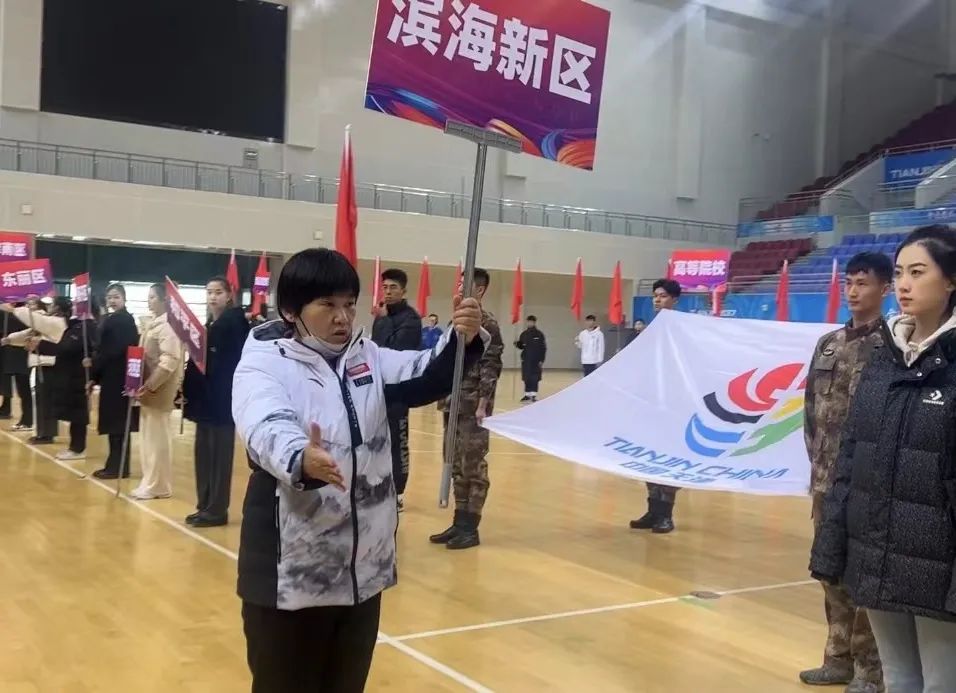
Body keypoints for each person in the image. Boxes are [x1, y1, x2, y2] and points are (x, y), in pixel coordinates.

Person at [232, 248, 486, 691]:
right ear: (291, 310)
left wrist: (461, 337)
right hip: (290, 575)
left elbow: (425, 373)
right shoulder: (263, 362)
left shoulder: (366, 356)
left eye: (349, 304)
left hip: (361, 574)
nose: (343, 317)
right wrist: (299, 456)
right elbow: (264, 422)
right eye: (327, 305)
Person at [811, 225, 956, 692]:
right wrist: (835, 541)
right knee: (897, 677)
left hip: (938, 561)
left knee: (941, 681)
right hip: (877, 547)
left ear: (951, 280)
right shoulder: (886, 357)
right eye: (899, 273)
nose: (904, 285)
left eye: (918, 272)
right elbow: (851, 456)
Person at [800, 253, 891, 692]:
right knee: (829, 570)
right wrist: (819, 468)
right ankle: (836, 658)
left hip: (869, 484)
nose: (853, 291)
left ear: (885, 289)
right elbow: (810, 412)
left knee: (865, 576)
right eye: (848, 283)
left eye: (863, 283)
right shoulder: (828, 344)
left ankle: (870, 670)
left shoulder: (892, 346)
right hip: (826, 482)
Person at [430, 267, 504, 550]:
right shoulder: (457, 320)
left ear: (480, 290)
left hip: (473, 405)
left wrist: (484, 403)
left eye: (466, 284)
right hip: (453, 401)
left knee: (473, 466)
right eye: (459, 283)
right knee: (455, 464)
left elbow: (491, 365)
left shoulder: (487, 324)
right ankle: (459, 521)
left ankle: (470, 527)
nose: (459, 288)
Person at [182, 276, 249, 527]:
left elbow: (231, 364)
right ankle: (204, 504)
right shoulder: (210, 324)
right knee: (204, 455)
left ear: (229, 295)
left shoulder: (234, 323)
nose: (213, 297)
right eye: (209, 292)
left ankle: (217, 509)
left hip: (222, 401)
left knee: (219, 458)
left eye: (218, 292)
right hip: (205, 401)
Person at [630, 279, 682, 534]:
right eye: (655, 295)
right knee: (649, 457)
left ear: (674, 299)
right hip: (650, 401)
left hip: (673, 404)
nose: (657, 300)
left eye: (662, 296)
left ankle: (666, 514)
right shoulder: (650, 329)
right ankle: (653, 510)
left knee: (668, 459)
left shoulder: (681, 329)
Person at [371, 268, 422, 511]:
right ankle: (377, 486)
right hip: (377, 389)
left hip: (399, 391)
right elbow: (375, 350)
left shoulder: (411, 319)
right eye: (385, 287)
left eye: (393, 288)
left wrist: (383, 320)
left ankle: (398, 491)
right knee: (375, 441)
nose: (388, 292)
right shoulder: (382, 316)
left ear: (403, 291)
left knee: (397, 441)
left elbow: (396, 349)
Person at [131, 283, 184, 501]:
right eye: (149, 297)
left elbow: (170, 359)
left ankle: (159, 485)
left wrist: (151, 384)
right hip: (146, 389)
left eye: (153, 297)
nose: (149, 300)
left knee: (157, 440)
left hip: (159, 389)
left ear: (165, 300)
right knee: (147, 439)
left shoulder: (169, 325)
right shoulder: (153, 323)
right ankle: (149, 481)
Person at [3, 298, 76, 446]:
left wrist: (14, 309)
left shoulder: (57, 322)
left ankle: (47, 434)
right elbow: (29, 333)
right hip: (42, 366)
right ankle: (42, 432)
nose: (50, 307)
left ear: (59, 308)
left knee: (47, 401)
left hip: (51, 366)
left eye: (52, 304)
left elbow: (35, 321)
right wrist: (9, 340)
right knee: (42, 400)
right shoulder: (48, 321)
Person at [90, 284, 140, 479]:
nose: (112, 300)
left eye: (116, 297)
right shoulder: (112, 318)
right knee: (115, 425)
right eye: (110, 297)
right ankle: (115, 464)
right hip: (111, 377)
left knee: (118, 424)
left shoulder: (124, 320)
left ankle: (118, 467)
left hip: (119, 377)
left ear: (124, 298)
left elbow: (113, 349)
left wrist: (95, 366)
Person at [0, 307, 33, 431]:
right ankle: (26, 420)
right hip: (12, 352)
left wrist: (9, 338)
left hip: (22, 354)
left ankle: (28, 420)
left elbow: (26, 333)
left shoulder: (26, 314)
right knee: (21, 390)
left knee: (25, 391)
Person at [515, 314, 547, 402]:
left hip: (536, 360)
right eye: (528, 322)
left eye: (531, 322)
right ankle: (527, 394)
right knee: (526, 377)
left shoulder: (539, 334)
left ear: (534, 322)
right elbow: (522, 346)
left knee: (534, 378)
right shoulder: (524, 334)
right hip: (526, 359)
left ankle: (533, 395)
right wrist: (518, 344)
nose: (530, 323)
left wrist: (542, 359)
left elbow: (543, 348)